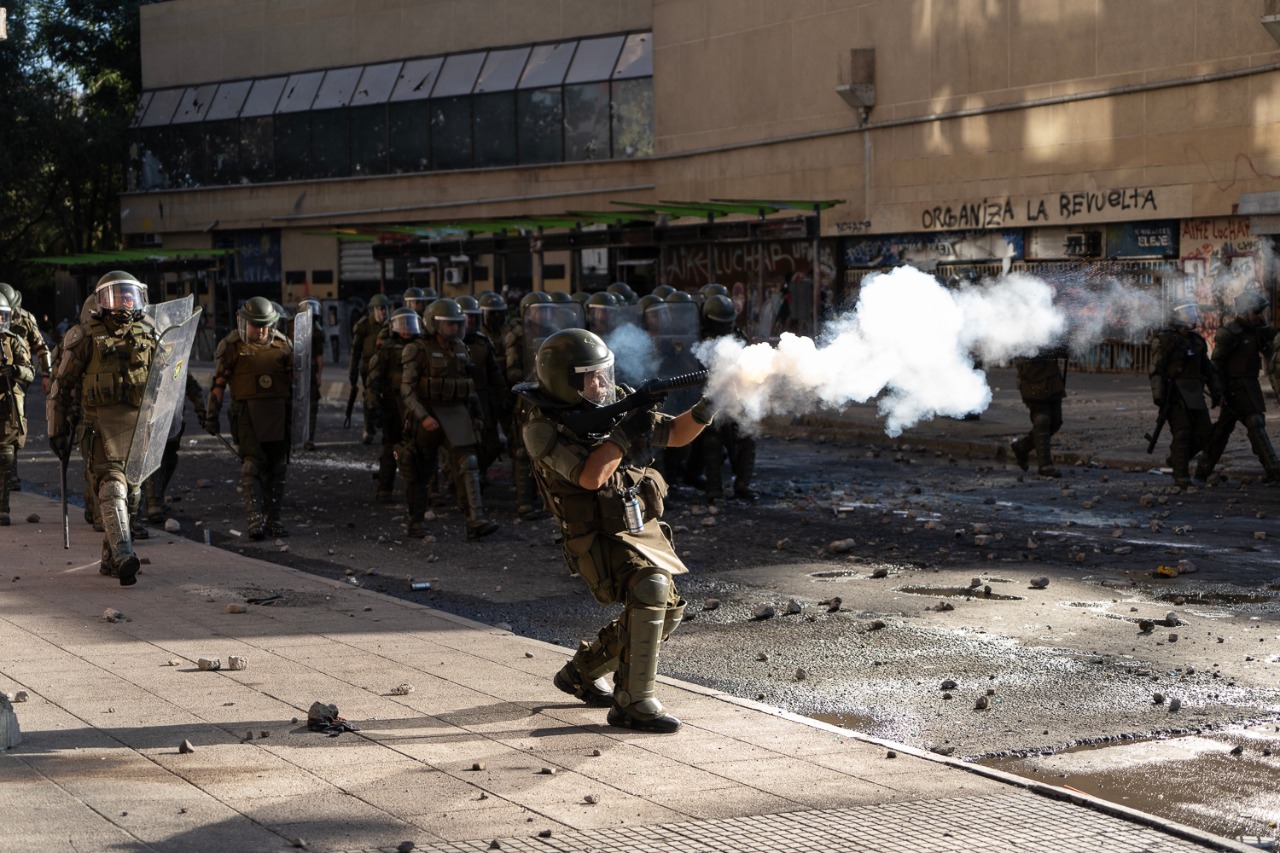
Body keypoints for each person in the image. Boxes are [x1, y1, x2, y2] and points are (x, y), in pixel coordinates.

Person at [518, 329, 717, 733]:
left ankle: (581, 672)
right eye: (591, 377)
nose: (602, 384)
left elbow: (675, 434)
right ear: (564, 381)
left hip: (633, 525)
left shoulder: (616, 404)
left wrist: (709, 406)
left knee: (669, 610)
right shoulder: (543, 428)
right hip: (593, 535)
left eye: (603, 373)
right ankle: (632, 703)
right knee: (650, 589)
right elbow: (592, 476)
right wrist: (624, 435)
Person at [47, 271, 159, 585]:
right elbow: (60, 387)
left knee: (133, 495)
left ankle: (110, 560)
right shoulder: (84, 337)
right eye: (116, 296)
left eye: (128, 295)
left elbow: (165, 380)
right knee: (111, 488)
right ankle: (125, 556)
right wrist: (56, 428)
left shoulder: (149, 335)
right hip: (98, 428)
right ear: (102, 302)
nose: (123, 302)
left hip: (136, 428)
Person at [400, 298, 499, 540]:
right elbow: (407, 390)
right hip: (428, 413)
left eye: (457, 324)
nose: (454, 329)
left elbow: (469, 388)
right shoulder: (418, 349)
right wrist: (422, 417)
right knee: (420, 469)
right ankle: (416, 523)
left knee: (469, 463)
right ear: (434, 324)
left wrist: (476, 415)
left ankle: (476, 520)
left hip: (456, 413)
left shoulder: (461, 348)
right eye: (449, 325)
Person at [206, 297, 295, 539]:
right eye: (256, 325)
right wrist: (211, 415)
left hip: (278, 413)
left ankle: (273, 519)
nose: (261, 330)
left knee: (278, 467)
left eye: (265, 325)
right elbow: (219, 384)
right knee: (252, 465)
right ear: (246, 324)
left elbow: (295, 383)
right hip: (246, 414)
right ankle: (255, 520)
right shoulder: (232, 346)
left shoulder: (283, 346)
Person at [1196, 290, 1278, 482]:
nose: (1259, 316)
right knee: (1247, 425)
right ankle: (1272, 469)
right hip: (1233, 387)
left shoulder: (1257, 330)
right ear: (1244, 310)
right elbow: (1215, 365)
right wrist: (1219, 391)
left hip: (1249, 385)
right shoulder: (1230, 332)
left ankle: (1203, 470)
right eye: (1255, 312)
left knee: (1235, 427)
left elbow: (1272, 346)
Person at [1149, 303, 1222, 488]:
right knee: (1182, 433)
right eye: (1187, 313)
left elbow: (1209, 370)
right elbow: (1156, 370)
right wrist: (1159, 395)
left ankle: (1176, 459)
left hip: (1195, 393)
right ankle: (1181, 476)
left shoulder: (1196, 341)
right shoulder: (1166, 341)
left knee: (1206, 434)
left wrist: (1216, 392)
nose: (1192, 316)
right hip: (1175, 394)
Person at [699, 295, 757, 502]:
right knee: (712, 440)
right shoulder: (699, 340)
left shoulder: (737, 337)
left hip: (735, 396)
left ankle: (742, 484)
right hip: (708, 398)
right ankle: (714, 489)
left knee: (748, 435)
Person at [0, 283, 52, 493]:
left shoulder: (25, 319)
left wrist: (47, 375)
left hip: (19, 374)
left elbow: (41, 347)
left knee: (14, 424)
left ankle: (10, 473)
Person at [365, 307, 419, 504]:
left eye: (409, 324)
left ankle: (424, 491)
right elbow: (373, 381)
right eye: (402, 325)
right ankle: (385, 487)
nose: (406, 329)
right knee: (392, 448)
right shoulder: (386, 350)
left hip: (415, 405)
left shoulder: (420, 347)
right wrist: (374, 408)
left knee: (421, 448)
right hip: (393, 406)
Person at [505, 291, 552, 519]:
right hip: (528, 394)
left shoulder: (555, 331)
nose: (542, 315)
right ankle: (524, 501)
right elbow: (511, 369)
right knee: (524, 450)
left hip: (552, 394)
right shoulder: (518, 334)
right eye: (538, 310)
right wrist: (533, 373)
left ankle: (548, 500)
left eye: (545, 310)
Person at [457, 295, 507, 479]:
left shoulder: (483, 342)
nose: (470, 321)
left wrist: (503, 396)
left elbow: (494, 373)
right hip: (459, 400)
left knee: (492, 444)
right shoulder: (450, 344)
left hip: (483, 398)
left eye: (473, 317)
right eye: (466, 317)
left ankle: (480, 471)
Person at [0, 294, 34, 526]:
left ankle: (2, 508)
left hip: (7, 406)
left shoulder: (12, 341)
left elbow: (30, 372)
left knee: (5, 457)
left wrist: (14, 371)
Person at [1010, 344, 1069, 478]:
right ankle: (1045, 465)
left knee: (1055, 422)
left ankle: (1022, 448)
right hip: (1032, 378)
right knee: (1042, 420)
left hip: (1051, 379)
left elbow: (1062, 349)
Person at [347, 293, 391, 444]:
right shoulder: (363, 325)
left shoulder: (391, 326)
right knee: (370, 399)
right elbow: (355, 351)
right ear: (373, 310)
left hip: (387, 369)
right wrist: (352, 373)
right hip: (368, 369)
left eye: (385, 309)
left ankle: (386, 429)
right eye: (380, 309)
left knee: (389, 399)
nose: (383, 312)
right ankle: (369, 428)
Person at [285, 297, 324, 451]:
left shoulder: (317, 331)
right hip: (293, 368)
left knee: (312, 405)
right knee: (291, 404)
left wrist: (319, 375)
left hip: (310, 369)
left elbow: (319, 357)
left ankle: (308, 439)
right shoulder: (290, 326)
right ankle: (292, 437)